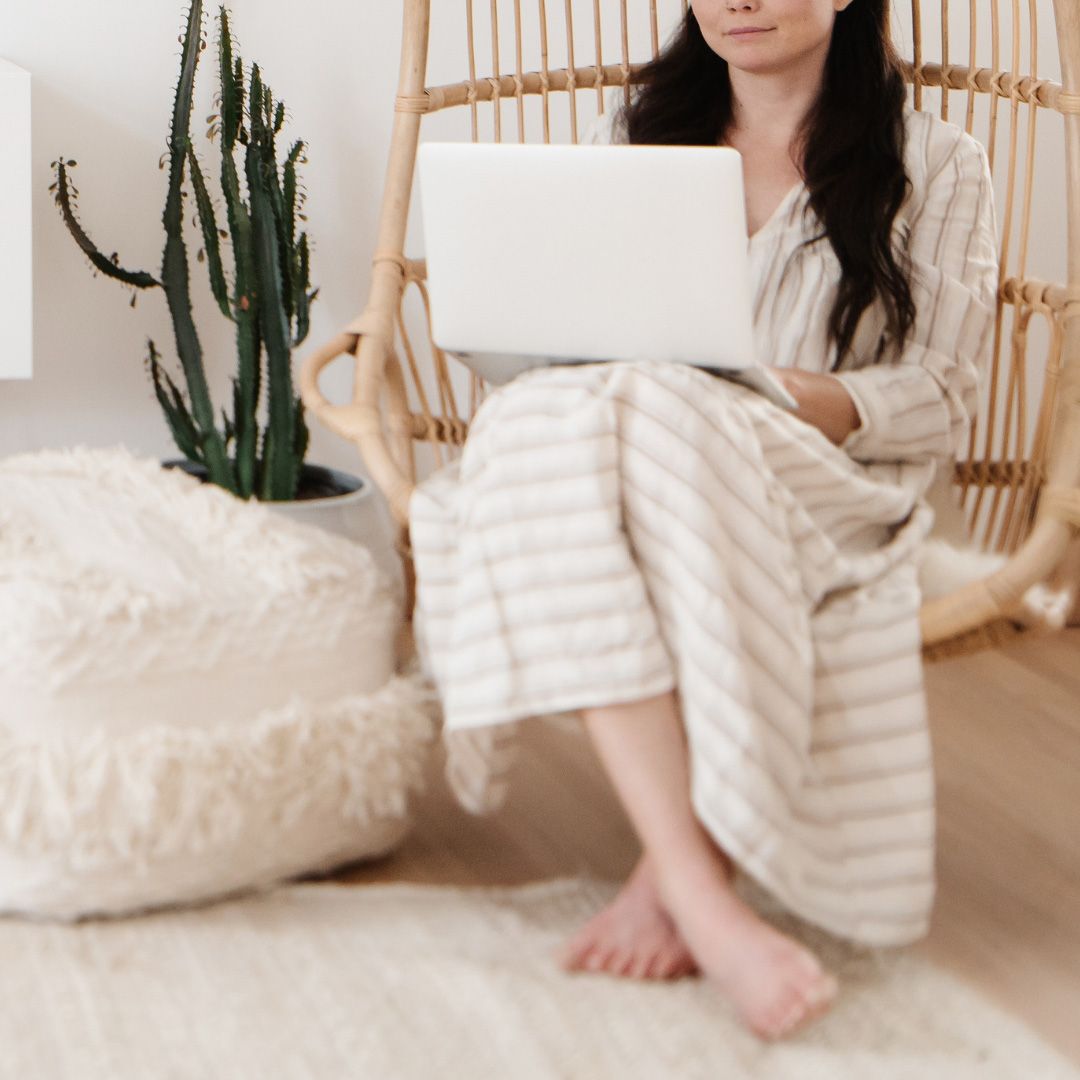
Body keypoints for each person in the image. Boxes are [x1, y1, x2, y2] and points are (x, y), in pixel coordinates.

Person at [408, 0, 998, 1043]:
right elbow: (562, 345)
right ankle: (700, 889)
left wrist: (766, 389)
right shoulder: (628, 141)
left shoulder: (937, 163)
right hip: (624, 458)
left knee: (641, 408)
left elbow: (943, 394)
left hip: (820, 479)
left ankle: (679, 878)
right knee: (549, 414)